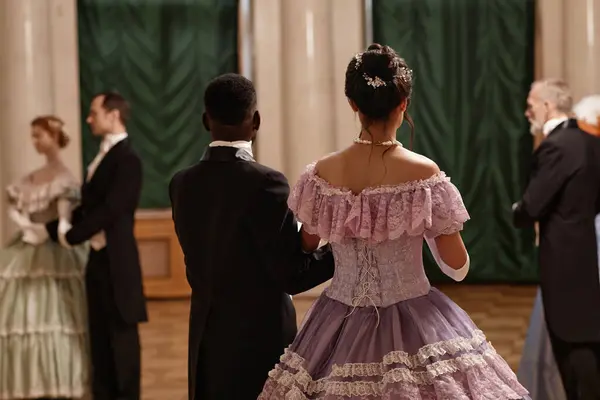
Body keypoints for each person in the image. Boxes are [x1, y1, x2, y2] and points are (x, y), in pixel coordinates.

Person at [259, 44, 529, 399]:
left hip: (335, 321)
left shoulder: (321, 174)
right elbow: (457, 267)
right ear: (403, 104)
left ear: (353, 105)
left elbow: (307, 245)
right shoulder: (424, 174)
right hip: (416, 315)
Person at [169, 73, 336, 400]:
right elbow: (291, 275)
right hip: (260, 340)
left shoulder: (181, 183)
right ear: (256, 120)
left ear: (206, 120)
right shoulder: (267, 183)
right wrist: (345, 250)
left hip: (206, 340)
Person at [36, 93, 147, 400]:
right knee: (99, 338)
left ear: (113, 115)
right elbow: (88, 207)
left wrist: (69, 236)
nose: (88, 119)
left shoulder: (128, 159)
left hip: (118, 262)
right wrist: (49, 229)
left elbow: (111, 209)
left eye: (93, 113)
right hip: (98, 260)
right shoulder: (102, 156)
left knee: (121, 340)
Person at [514, 80, 600, 399]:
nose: (527, 112)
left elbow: (532, 205)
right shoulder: (590, 143)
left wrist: (517, 212)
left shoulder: (555, 145)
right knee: (586, 338)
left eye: (531, 105)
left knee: (571, 344)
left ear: (548, 106)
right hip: (587, 252)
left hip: (562, 260)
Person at [0, 116, 89, 400]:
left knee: (57, 317)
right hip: (28, 247)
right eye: (33, 136)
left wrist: (41, 230)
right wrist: (26, 226)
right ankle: (27, 380)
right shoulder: (35, 176)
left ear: (53, 136)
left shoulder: (63, 177)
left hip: (54, 250)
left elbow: (64, 221)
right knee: (22, 317)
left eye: (39, 135)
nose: (35, 141)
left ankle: (59, 380)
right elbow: (13, 204)